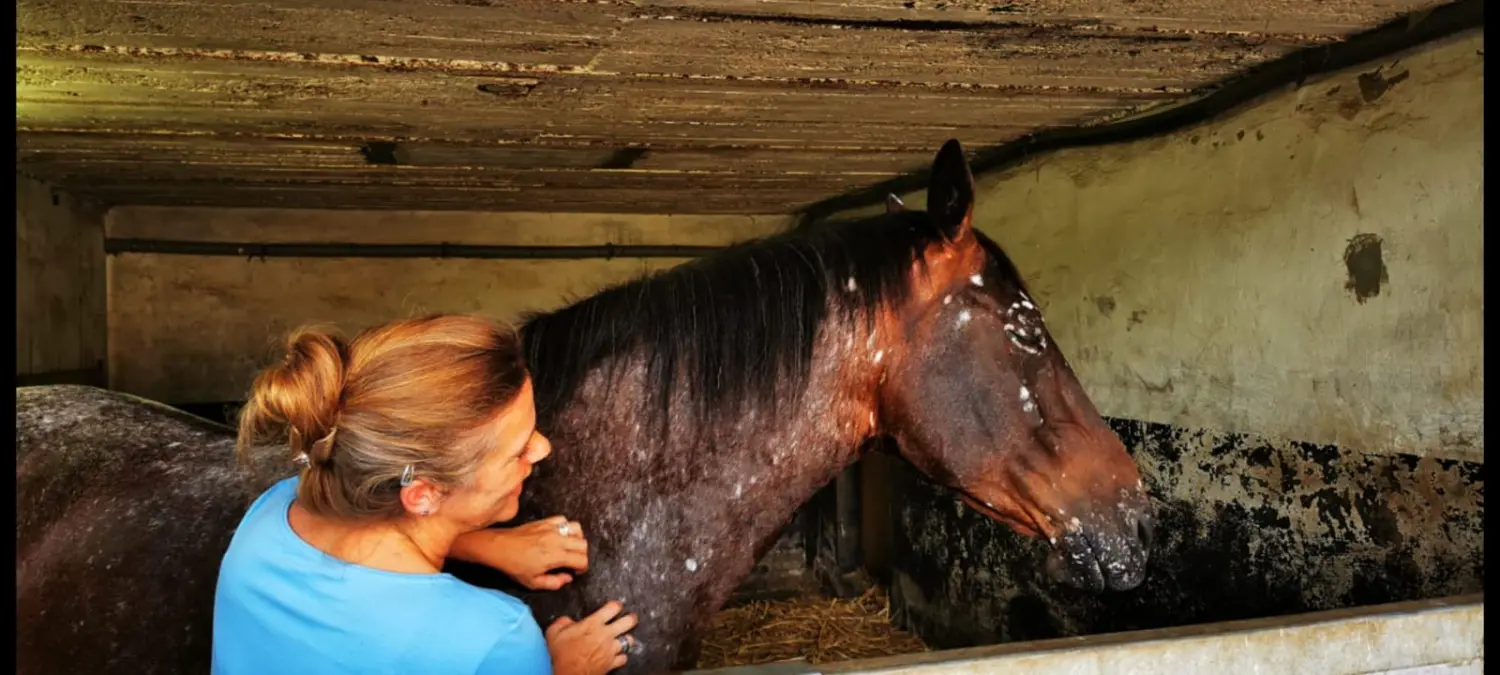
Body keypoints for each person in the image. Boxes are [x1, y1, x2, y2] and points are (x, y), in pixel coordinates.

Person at [211, 314, 636, 675]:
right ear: (423, 494)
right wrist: (559, 668)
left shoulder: (274, 511)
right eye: (518, 449)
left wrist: (485, 546)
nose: (542, 449)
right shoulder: (491, 638)